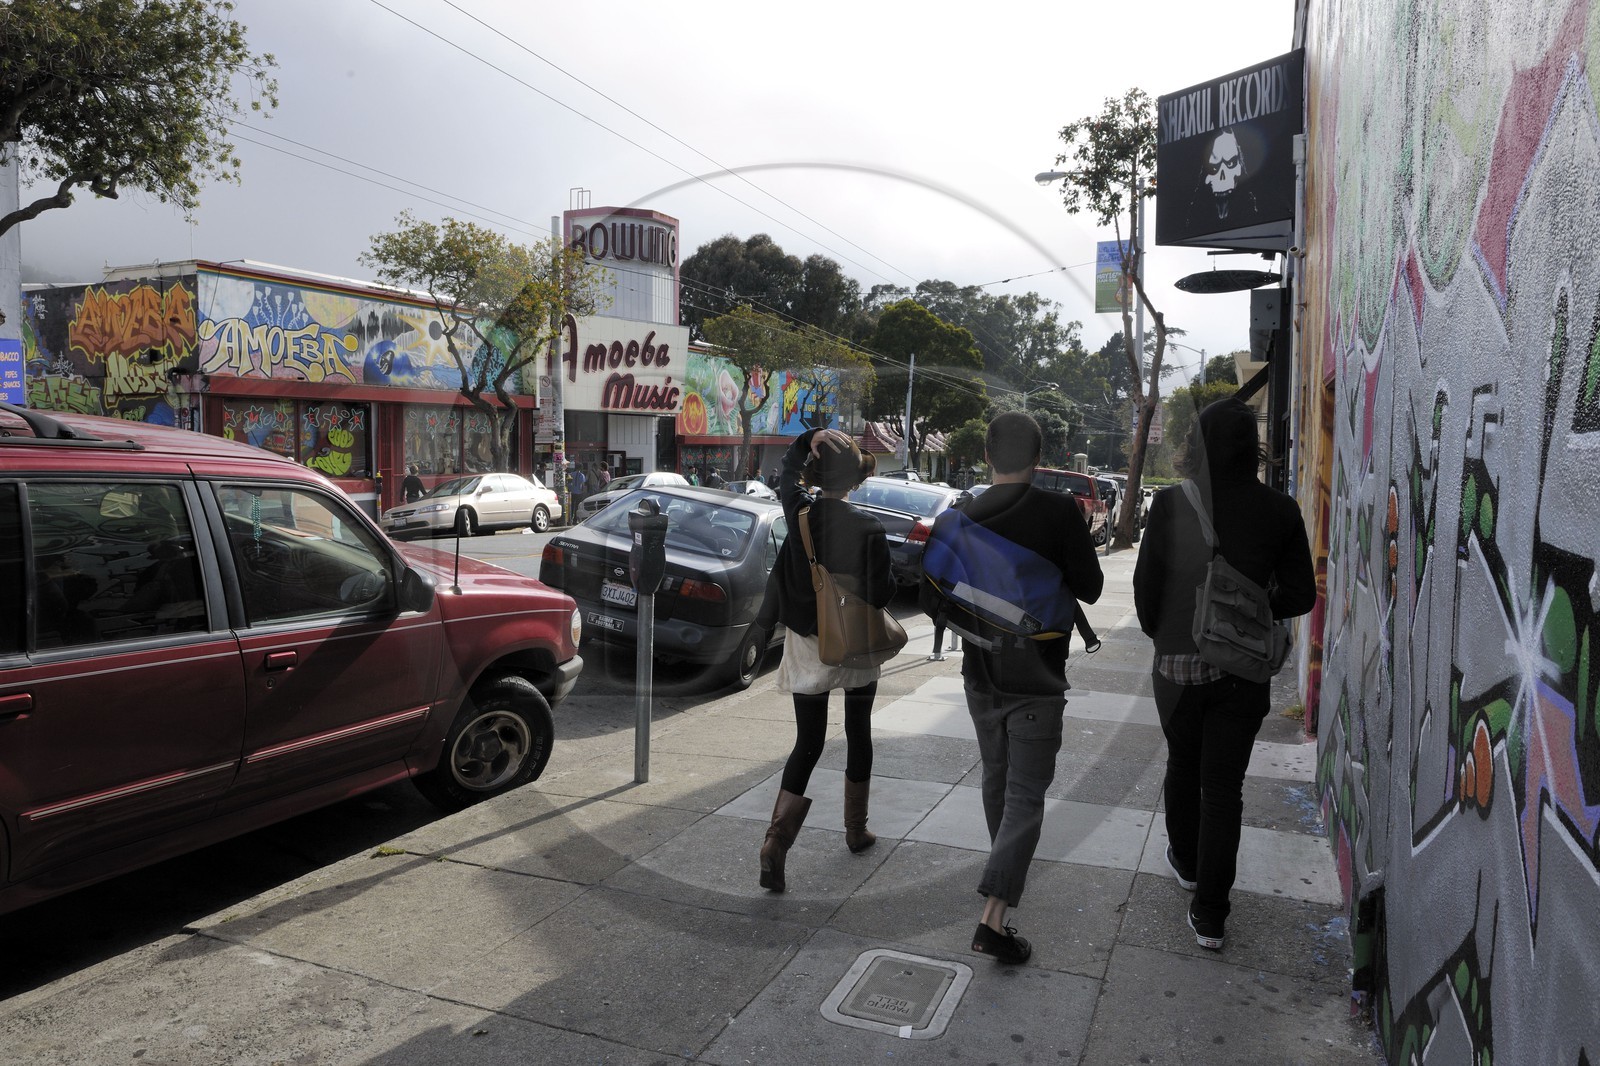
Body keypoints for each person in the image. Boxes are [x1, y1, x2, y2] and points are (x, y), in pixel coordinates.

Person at [919, 411, 1103, 965]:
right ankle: (993, 916)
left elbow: (937, 594)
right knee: (1025, 796)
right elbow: (1091, 588)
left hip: (980, 677)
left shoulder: (965, 513)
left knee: (998, 783)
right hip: (1039, 680)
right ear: (1038, 456)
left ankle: (1003, 879)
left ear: (986, 456)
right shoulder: (1058, 511)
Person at [1133, 398, 1315, 951]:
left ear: (1199, 447)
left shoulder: (1167, 504)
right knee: (1223, 790)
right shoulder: (1280, 510)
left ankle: (1186, 861)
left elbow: (1146, 595)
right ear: (1253, 448)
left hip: (1177, 668)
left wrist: (1169, 637)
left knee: (1183, 765)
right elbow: (1302, 596)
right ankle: (1210, 915)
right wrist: (1252, 608)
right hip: (1242, 674)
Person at [758, 427, 895, 894]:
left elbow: (784, 475)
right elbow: (881, 594)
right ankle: (856, 831)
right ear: (855, 480)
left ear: (816, 474)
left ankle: (776, 843)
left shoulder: (798, 511)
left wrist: (809, 437)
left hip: (806, 644)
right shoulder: (870, 528)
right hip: (853, 641)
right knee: (859, 734)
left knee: (809, 743)